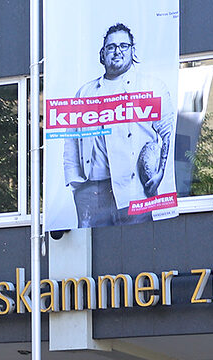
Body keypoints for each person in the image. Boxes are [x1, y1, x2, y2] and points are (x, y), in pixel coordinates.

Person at [62, 23, 175, 228]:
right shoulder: (85, 92)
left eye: (123, 46)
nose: (117, 51)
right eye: (111, 47)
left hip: (135, 190)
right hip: (93, 192)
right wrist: (75, 184)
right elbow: (71, 140)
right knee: (93, 255)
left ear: (133, 50)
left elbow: (168, 134)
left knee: (138, 250)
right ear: (102, 54)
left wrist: (160, 174)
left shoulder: (151, 87)